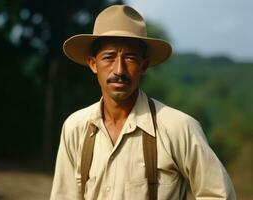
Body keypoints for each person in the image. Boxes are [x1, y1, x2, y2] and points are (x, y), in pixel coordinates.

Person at [50, 4, 236, 200]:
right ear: (93, 64)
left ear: (144, 65)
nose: (119, 70)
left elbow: (219, 194)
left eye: (130, 58)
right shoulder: (76, 127)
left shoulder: (178, 128)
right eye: (109, 57)